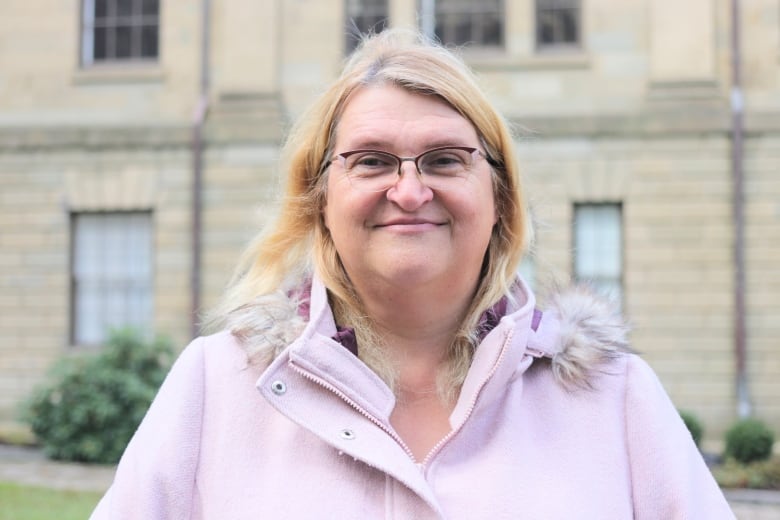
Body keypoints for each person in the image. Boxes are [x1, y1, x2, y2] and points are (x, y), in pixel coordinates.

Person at [91, 29, 735, 519]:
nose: (408, 190)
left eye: (444, 160)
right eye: (371, 161)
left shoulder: (617, 398)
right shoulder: (216, 387)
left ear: (500, 199)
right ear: (319, 198)